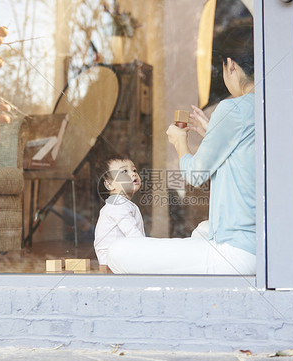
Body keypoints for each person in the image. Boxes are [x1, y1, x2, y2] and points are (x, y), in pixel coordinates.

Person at [107, 29, 256, 275]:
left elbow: (196, 175)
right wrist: (212, 136)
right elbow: (244, 159)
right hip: (259, 246)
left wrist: (179, 143)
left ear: (231, 65)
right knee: (202, 229)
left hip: (236, 251)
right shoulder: (264, 108)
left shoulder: (233, 108)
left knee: (117, 251)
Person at [94, 156, 145, 272]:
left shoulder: (123, 204)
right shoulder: (117, 205)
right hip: (112, 267)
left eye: (134, 170)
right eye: (124, 171)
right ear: (109, 185)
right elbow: (133, 234)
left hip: (118, 264)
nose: (133, 174)